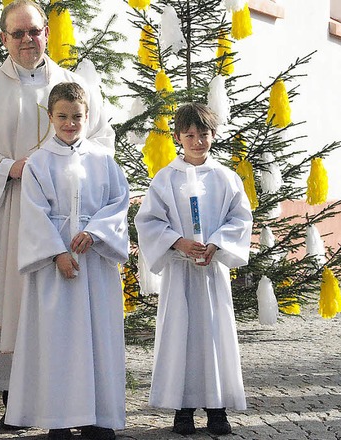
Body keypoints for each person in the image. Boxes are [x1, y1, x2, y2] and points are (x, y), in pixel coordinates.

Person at [0, 0, 114, 424]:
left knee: (66, 306)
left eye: (34, 31)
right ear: (4, 38)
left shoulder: (75, 84)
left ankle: (74, 392)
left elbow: (102, 140)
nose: (27, 40)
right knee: (13, 296)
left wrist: (63, 169)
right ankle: (16, 394)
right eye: (17, 33)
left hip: (71, 218)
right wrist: (10, 168)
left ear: (47, 32)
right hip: (10, 210)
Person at [4, 82, 129, 440]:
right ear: (50, 117)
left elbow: (117, 204)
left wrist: (97, 233)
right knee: (56, 343)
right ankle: (58, 419)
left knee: (96, 340)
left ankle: (97, 417)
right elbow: (32, 212)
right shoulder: (39, 162)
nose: (70, 123)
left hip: (95, 264)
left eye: (77, 116)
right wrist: (57, 252)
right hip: (55, 270)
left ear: (87, 116)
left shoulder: (104, 160)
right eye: (62, 116)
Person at [134, 103, 253, 436]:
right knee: (180, 337)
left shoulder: (226, 178)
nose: (197, 141)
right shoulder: (165, 178)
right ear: (177, 137)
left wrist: (215, 243)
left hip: (211, 273)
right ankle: (182, 409)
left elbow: (240, 219)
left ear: (213, 135)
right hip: (180, 271)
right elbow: (148, 221)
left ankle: (217, 409)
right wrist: (177, 242)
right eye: (190, 135)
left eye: (203, 134)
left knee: (214, 337)